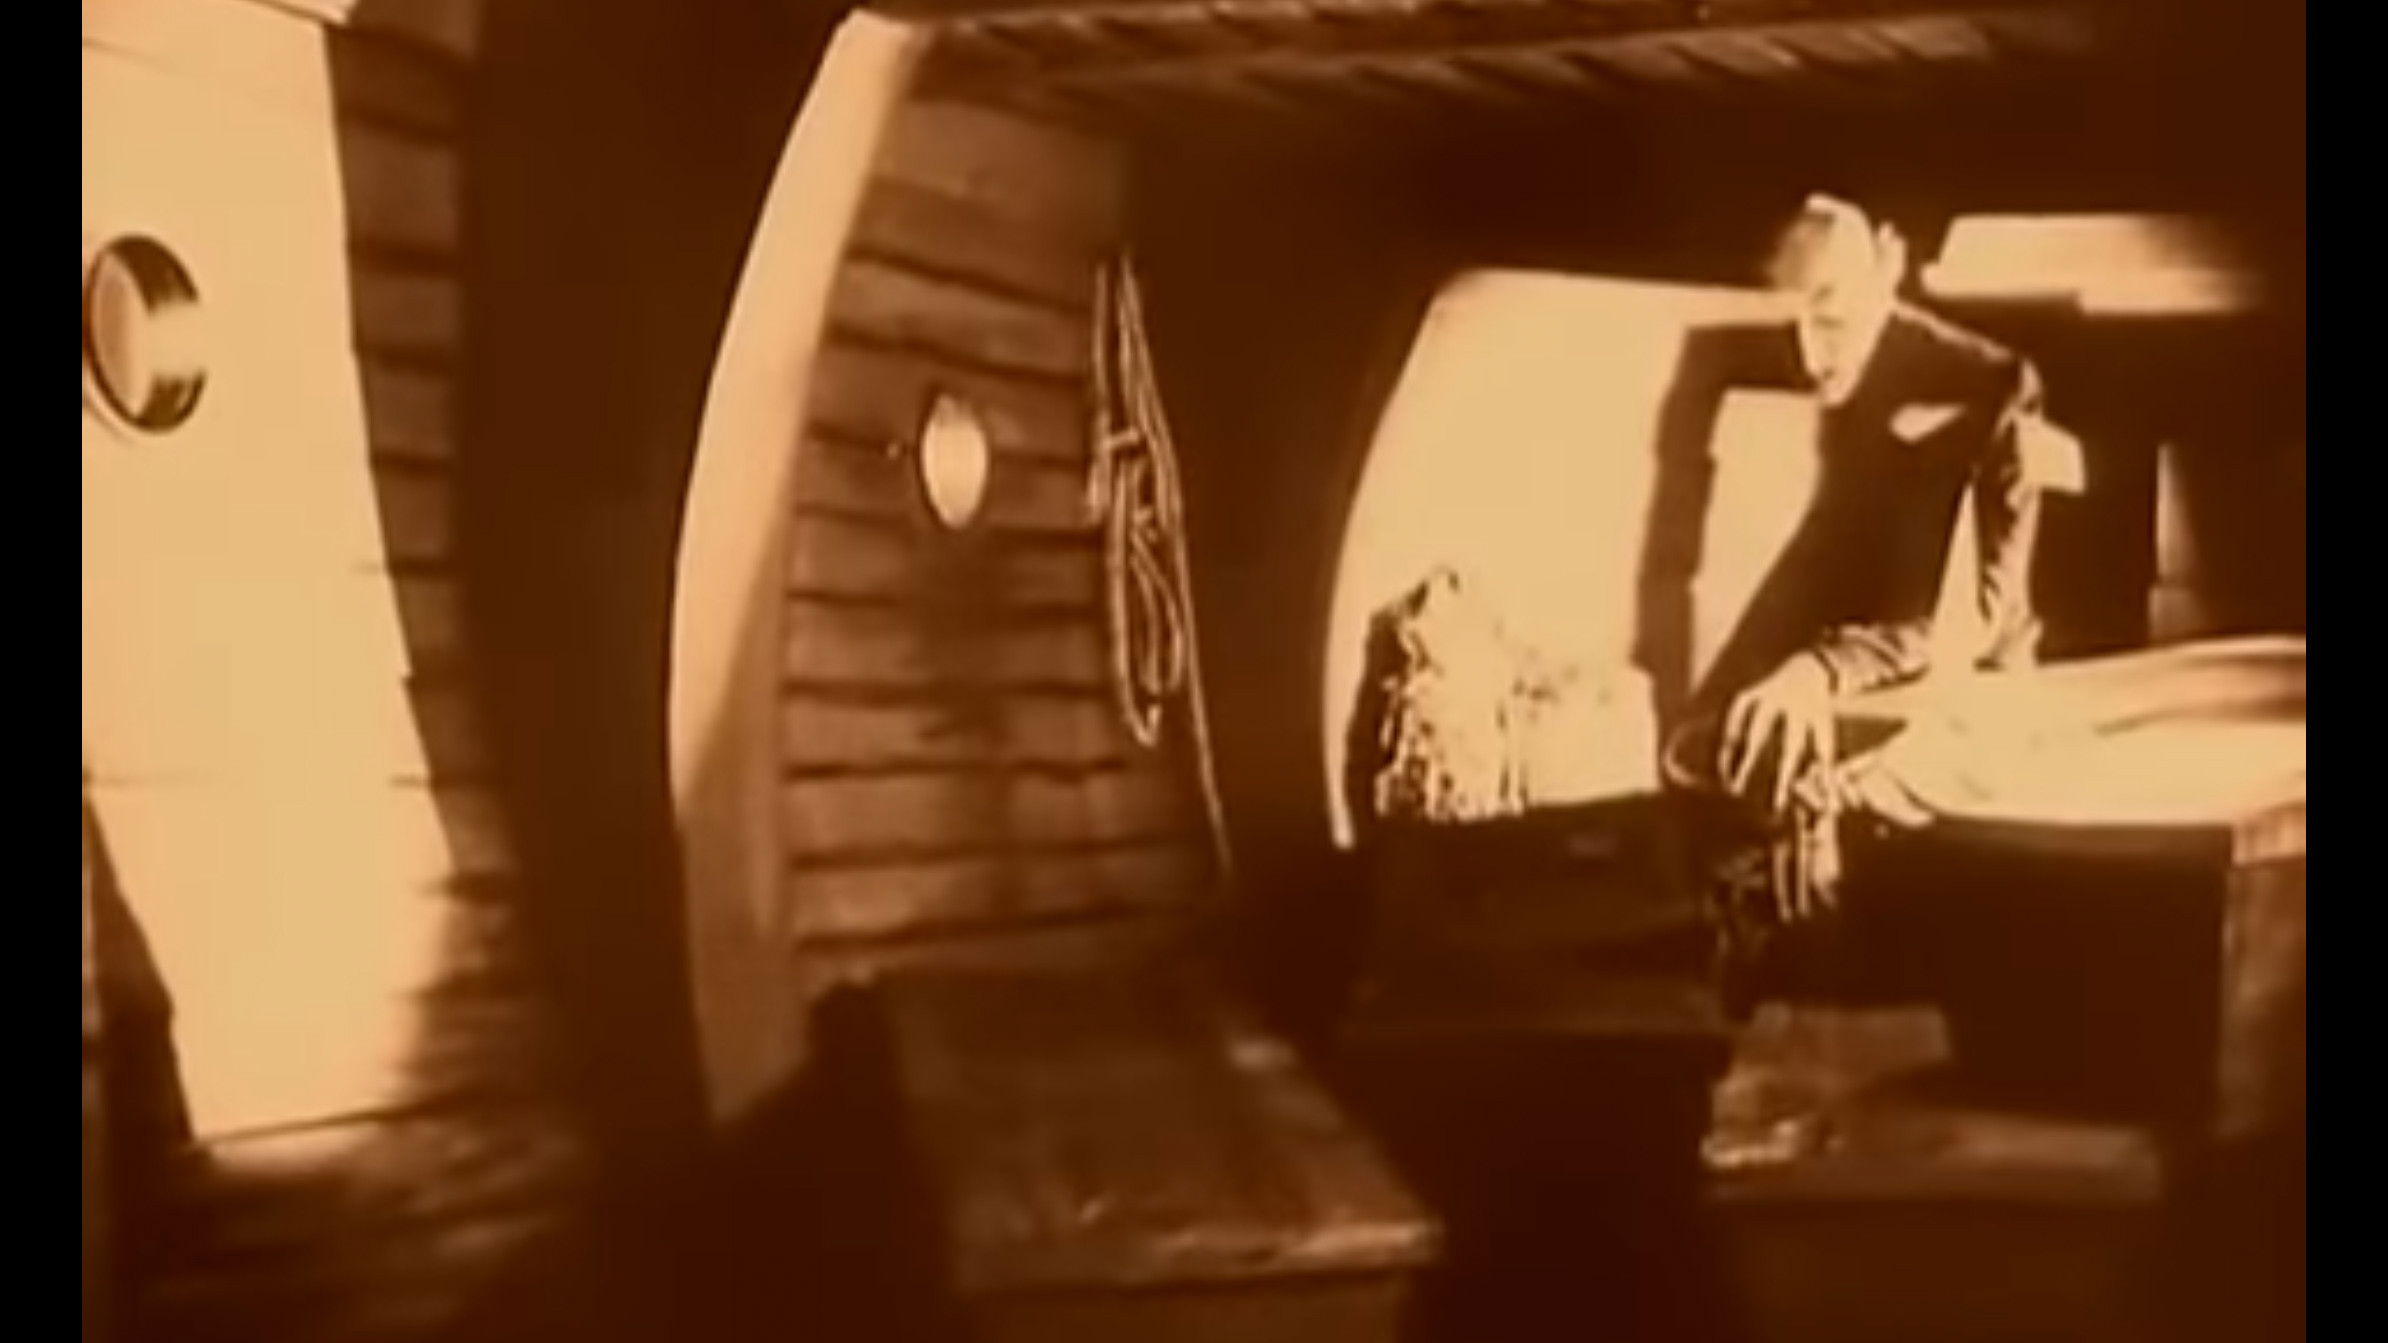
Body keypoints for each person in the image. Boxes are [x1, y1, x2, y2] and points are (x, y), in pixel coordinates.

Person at [1679, 193, 2062, 1005]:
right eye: (1790, 318)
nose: (1809, 353)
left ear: (1889, 262)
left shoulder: (1984, 382)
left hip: (1968, 689)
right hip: (1841, 674)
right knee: (1719, 757)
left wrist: (1819, 670)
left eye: (1829, 314)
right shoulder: (1784, 369)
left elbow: (1970, 613)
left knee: (1852, 816)